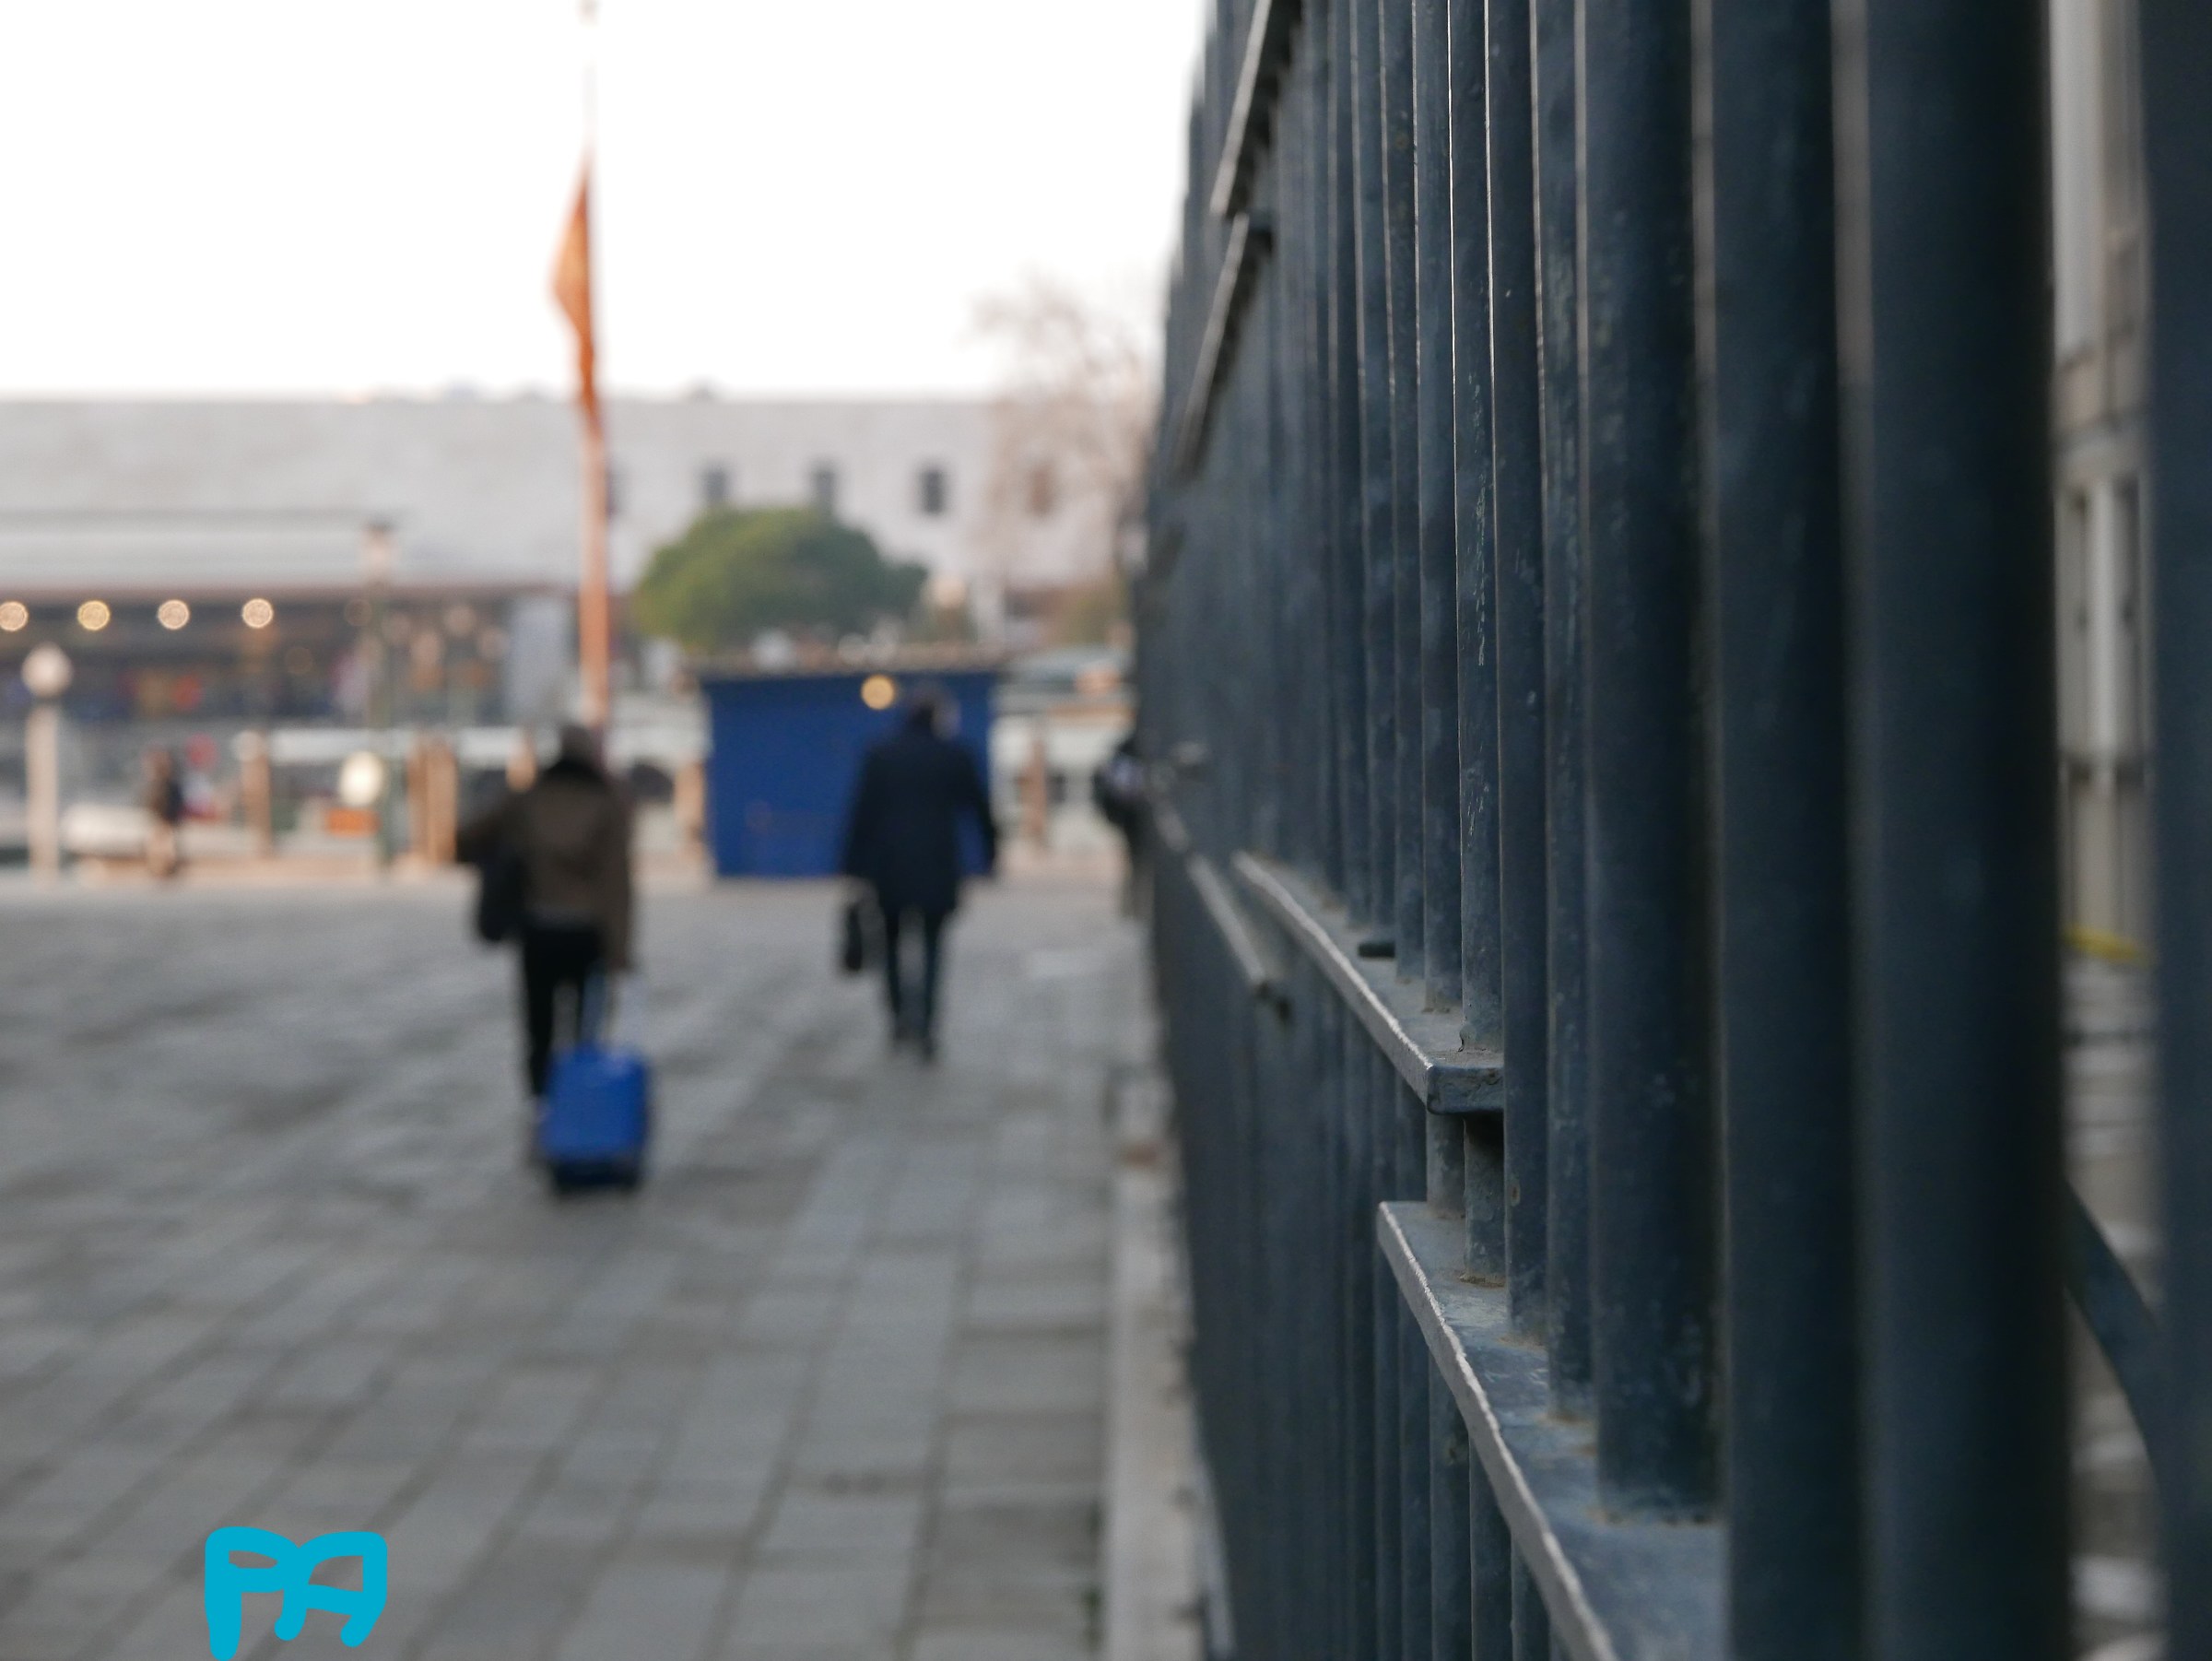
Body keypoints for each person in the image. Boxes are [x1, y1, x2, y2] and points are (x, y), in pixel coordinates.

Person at [461, 724, 635, 1107]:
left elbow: (468, 838)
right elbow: (616, 885)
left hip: (539, 931)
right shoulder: (606, 806)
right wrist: (621, 950)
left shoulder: (529, 800)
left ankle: (541, 1105)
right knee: (585, 1033)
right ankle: (578, 1109)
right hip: (587, 934)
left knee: (539, 1029)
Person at [840, 686, 998, 1061]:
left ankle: (898, 1018)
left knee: (891, 945)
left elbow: (861, 813)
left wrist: (853, 867)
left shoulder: (881, 754)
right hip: (937, 865)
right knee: (933, 947)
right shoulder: (953, 754)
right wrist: (992, 854)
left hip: (888, 866)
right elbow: (978, 808)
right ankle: (927, 1024)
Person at [142, 748, 184, 879]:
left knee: (165, 843)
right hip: (160, 820)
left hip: (167, 821)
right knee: (160, 843)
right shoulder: (156, 784)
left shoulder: (170, 785)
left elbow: (175, 803)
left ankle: (165, 868)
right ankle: (159, 868)